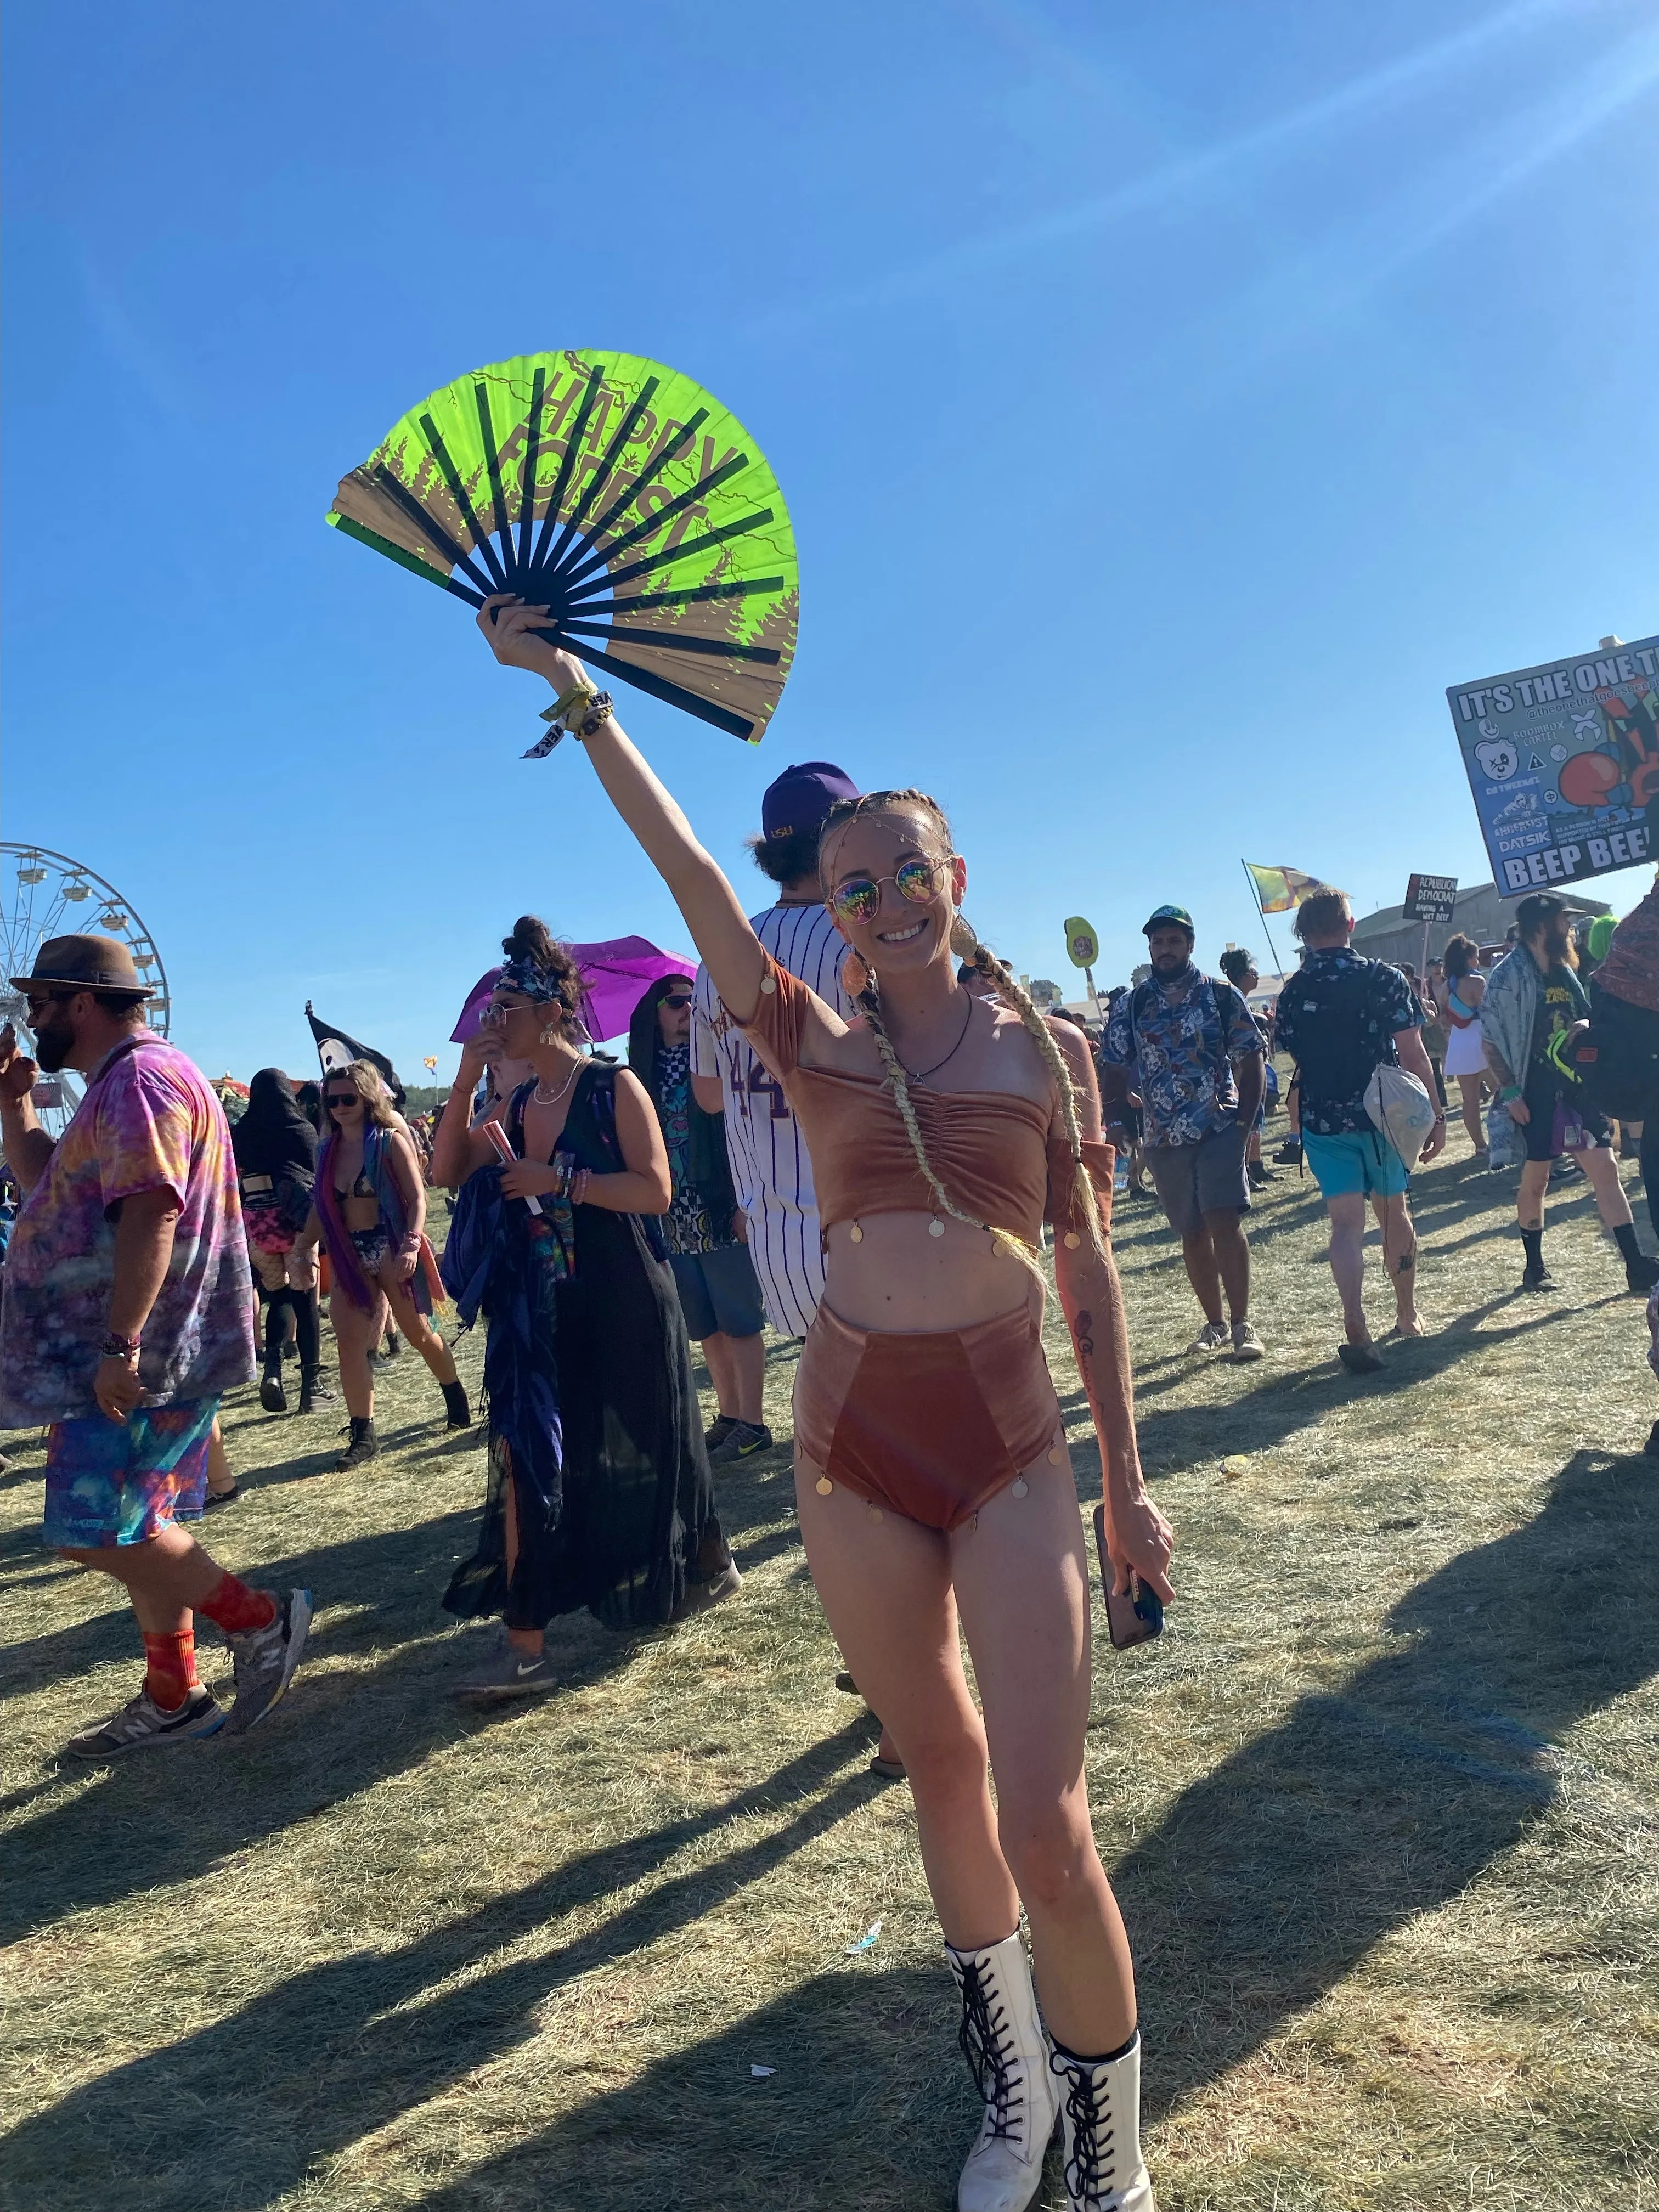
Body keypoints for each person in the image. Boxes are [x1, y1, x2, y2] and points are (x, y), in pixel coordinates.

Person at [475, 597, 1173, 2212]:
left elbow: (1087, 1278)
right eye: (855, 887)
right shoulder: (808, 1037)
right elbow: (690, 877)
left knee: (1049, 1818)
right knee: (939, 1776)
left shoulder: (1047, 1051)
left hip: (1008, 1443)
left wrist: (1126, 1482)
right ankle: (1015, 2106)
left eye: (909, 872)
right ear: (835, 916)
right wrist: (574, 690)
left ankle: (1113, 2167)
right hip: (851, 1445)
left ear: (959, 878)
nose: (885, 901)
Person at [0, 935, 312, 1755]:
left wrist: (121, 1344)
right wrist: (12, 1106)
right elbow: (52, 1191)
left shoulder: (139, 1081)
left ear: (81, 1002)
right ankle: (174, 1697)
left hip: (148, 1349)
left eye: (40, 1004)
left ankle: (263, 1622)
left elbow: (153, 1212)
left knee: (97, 1529)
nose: (31, 1020)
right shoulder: (122, 1082)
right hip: (147, 1347)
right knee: (143, 1527)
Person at [430, 917, 740, 1696]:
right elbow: (444, 1172)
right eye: (491, 1011)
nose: (493, 1022)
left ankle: (707, 1554)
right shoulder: (514, 1095)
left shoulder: (611, 1085)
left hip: (626, 1290)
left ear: (552, 1012)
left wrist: (561, 1182)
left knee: (653, 1432)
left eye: (506, 1009)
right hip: (538, 1310)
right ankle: (525, 1643)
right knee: (526, 1453)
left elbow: (656, 1192)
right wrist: (470, 1081)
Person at [689, 760, 860, 1345]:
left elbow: (708, 1095)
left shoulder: (717, 960)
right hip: (871, 1224)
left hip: (775, 1234)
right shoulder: (862, 938)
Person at [1272, 891, 1446, 1371]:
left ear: (1305, 933)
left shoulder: (1293, 991)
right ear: (1350, 924)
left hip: (1322, 1119)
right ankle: (1407, 1314)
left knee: (1345, 1226)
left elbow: (1293, 1053)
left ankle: (1354, 1318)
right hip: (1382, 1114)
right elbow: (1413, 1054)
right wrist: (1436, 1113)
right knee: (1394, 1212)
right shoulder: (1382, 978)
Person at [1101, 906, 1267, 1362]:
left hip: (1218, 1126)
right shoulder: (1132, 1005)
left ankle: (1241, 1325)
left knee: (1224, 1222)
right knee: (1191, 1231)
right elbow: (1112, 1065)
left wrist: (1243, 1123)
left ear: (1190, 945)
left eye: (1174, 941)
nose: (1166, 949)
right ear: (1150, 948)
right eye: (1158, 942)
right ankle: (1213, 1324)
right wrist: (1115, 1120)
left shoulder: (1221, 995)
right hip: (1162, 1135)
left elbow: (1251, 1056)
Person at [287, 1059, 470, 1467]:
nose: (339, 1106)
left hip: (391, 1246)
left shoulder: (390, 1141)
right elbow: (322, 1205)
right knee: (351, 1344)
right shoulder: (326, 1150)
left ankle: (454, 1394)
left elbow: (418, 1198)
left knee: (421, 1333)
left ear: (368, 1096)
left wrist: (410, 1244)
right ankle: (363, 1434)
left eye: (348, 1098)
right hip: (348, 1252)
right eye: (332, 1100)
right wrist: (303, 1248)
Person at [1478, 892, 1656, 1296]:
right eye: (1565, 921)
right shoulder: (1509, 976)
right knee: (1537, 1180)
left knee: (1606, 1170)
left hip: (1577, 1089)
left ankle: (1635, 1265)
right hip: (1534, 1093)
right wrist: (1510, 1093)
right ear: (1542, 927)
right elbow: (1489, 1038)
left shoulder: (1565, 970)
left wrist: (1584, 1024)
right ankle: (1535, 1267)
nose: (1571, 929)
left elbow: (1586, 1014)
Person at [629, 973, 771, 1460]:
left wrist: (742, 1202)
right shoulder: (640, 1073)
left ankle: (753, 1423)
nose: (687, 1008)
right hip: (672, 1212)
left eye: (693, 1000)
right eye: (675, 1002)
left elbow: (743, 1134)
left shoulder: (715, 1060)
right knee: (704, 1325)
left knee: (740, 1319)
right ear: (655, 1014)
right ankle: (729, 1415)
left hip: (718, 1202)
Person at [232, 1066, 334, 1415]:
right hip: (298, 1226)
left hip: (258, 1228)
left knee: (277, 1298)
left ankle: (272, 1369)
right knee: (306, 1301)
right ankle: (311, 1387)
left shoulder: (241, 1133)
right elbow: (316, 1176)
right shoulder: (301, 1130)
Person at [1217, 949, 1276, 1189]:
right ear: (1240, 975)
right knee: (1245, 1124)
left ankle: (1256, 1166)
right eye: (1252, 972)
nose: (1257, 976)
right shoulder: (1229, 1003)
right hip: (1240, 1076)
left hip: (1255, 1073)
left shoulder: (1241, 1002)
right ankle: (1244, 1176)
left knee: (1257, 1122)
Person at [1433, 935, 1491, 1162]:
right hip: (1481, 1037)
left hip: (1459, 1041)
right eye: (1476, 957)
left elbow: (1444, 1020)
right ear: (1469, 958)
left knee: (1470, 1100)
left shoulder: (1447, 986)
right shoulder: (1477, 982)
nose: (1478, 961)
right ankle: (1505, 1137)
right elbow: (1488, 1012)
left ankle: (1480, 1146)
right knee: (1502, 1091)